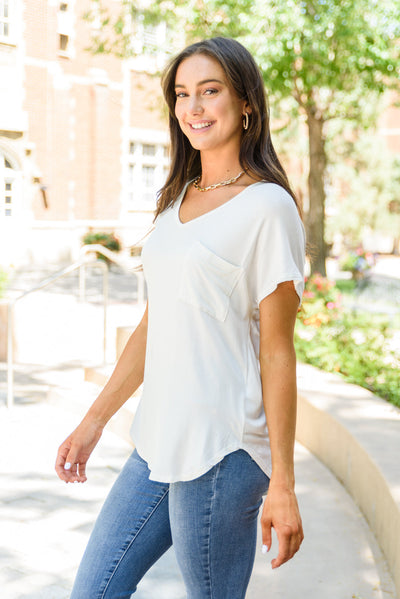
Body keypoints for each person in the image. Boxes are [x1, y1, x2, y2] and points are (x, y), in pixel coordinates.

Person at [56, 36, 305, 599]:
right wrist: (93, 423)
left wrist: (284, 483)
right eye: (182, 93)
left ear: (246, 104)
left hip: (222, 449)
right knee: (92, 592)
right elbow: (154, 325)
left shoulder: (268, 207)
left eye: (210, 91)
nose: (193, 107)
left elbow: (277, 350)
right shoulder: (177, 201)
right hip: (156, 442)